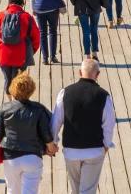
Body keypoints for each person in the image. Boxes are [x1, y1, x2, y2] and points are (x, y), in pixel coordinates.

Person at [51, 59, 116, 194]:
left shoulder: (65, 93)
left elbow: (56, 121)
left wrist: (53, 142)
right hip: (94, 150)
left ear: (80, 72)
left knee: (75, 190)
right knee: (87, 190)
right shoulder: (104, 96)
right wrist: (106, 145)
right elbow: (108, 124)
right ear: (97, 75)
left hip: (71, 150)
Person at [0, 72, 58, 194]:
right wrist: (51, 147)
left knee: (12, 190)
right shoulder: (39, 109)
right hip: (32, 156)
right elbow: (46, 133)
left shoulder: (4, 108)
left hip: (10, 157)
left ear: (13, 88)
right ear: (31, 89)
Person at [0, 0, 41, 95]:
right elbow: (36, 37)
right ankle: (17, 103)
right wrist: (31, 51)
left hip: (3, 54)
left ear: (9, 3)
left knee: (8, 79)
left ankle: (10, 104)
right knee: (18, 81)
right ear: (22, 4)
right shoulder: (27, 17)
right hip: (21, 55)